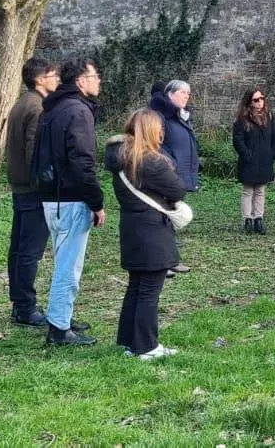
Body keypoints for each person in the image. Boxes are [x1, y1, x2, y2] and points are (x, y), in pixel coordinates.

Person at [34, 58, 106, 346]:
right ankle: (59, 330)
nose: (98, 80)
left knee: (63, 262)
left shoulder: (52, 109)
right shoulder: (77, 111)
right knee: (68, 267)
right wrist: (96, 202)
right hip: (69, 199)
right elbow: (82, 162)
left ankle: (61, 317)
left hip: (52, 197)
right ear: (80, 81)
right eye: (94, 75)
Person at [106, 109, 187, 360]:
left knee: (136, 286)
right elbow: (178, 190)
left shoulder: (120, 156)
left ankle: (130, 341)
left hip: (131, 227)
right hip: (152, 230)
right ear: (152, 131)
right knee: (150, 290)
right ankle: (147, 346)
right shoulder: (150, 161)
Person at [4, 57, 58, 328]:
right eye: (52, 75)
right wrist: (47, 185)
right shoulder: (37, 107)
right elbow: (34, 153)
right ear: (39, 80)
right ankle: (25, 307)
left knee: (19, 248)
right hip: (33, 190)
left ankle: (20, 304)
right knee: (29, 252)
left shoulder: (23, 103)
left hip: (21, 187)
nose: (57, 79)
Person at [150, 80, 199, 274]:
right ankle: (162, 262)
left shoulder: (181, 116)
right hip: (166, 174)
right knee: (162, 217)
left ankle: (170, 260)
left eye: (188, 93)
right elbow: (155, 144)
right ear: (170, 94)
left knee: (170, 217)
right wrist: (171, 163)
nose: (187, 96)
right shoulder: (161, 115)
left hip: (177, 175)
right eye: (182, 92)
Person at [233, 88, 275, 234]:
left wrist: (272, 154)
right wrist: (247, 155)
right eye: (256, 100)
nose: (260, 102)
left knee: (260, 190)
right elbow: (238, 140)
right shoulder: (242, 119)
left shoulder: (269, 117)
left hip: (265, 160)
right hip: (249, 160)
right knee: (248, 191)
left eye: (262, 98)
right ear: (249, 102)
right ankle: (247, 220)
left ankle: (258, 219)